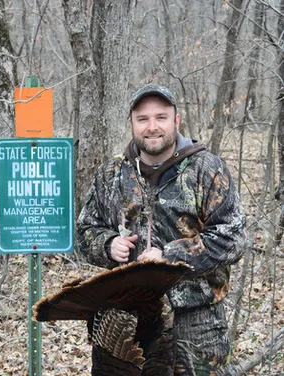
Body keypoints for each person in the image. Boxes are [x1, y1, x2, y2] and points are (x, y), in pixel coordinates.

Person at [77, 84, 246, 375]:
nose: (152, 127)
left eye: (161, 117)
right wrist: (107, 245)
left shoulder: (206, 170)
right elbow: (83, 232)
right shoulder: (111, 175)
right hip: (127, 323)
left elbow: (233, 236)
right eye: (142, 119)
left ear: (176, 121)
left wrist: (170, 256)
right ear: (131, 123)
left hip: (196, 321)